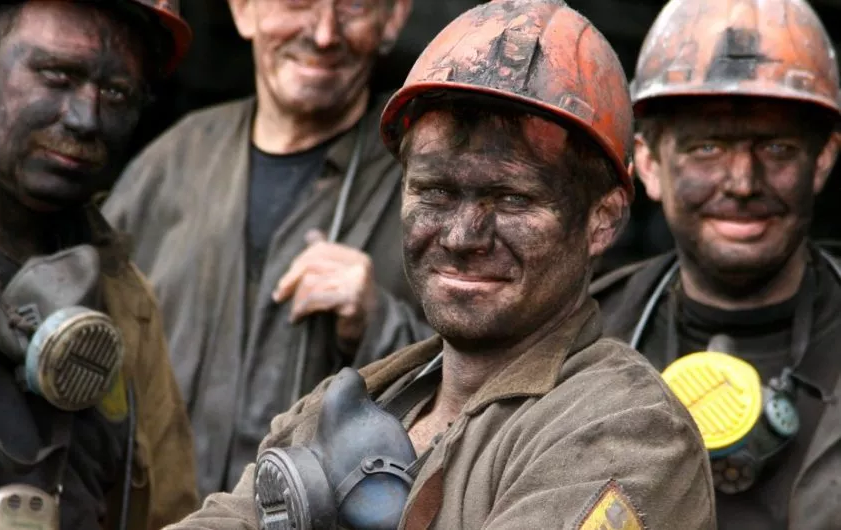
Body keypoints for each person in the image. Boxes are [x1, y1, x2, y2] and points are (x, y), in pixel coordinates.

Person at [165, 1, 716, 528]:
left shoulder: (626, 430)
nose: (462, 236)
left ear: (602, 220)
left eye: (513, 199)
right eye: (435, 192)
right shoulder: (355, 400)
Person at [103, 0, 433, 497]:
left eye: (353, 5)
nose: (324, 33)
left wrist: (378, 322)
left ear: (395, 16)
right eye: (297, 2)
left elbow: (484, 390)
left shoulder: (430, 184)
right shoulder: (172, 163)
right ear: (242, 10)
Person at [0, 0, 199, 528]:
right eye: (57, 76)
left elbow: (170, 511)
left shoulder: (128, 303)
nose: (86, 118)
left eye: (116, 92)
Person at [591, 0, 841, 528]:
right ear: (650, 164)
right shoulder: (585, 337)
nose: (743, 183)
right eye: (706, 148)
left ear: (822, 160)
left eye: (777, 148)